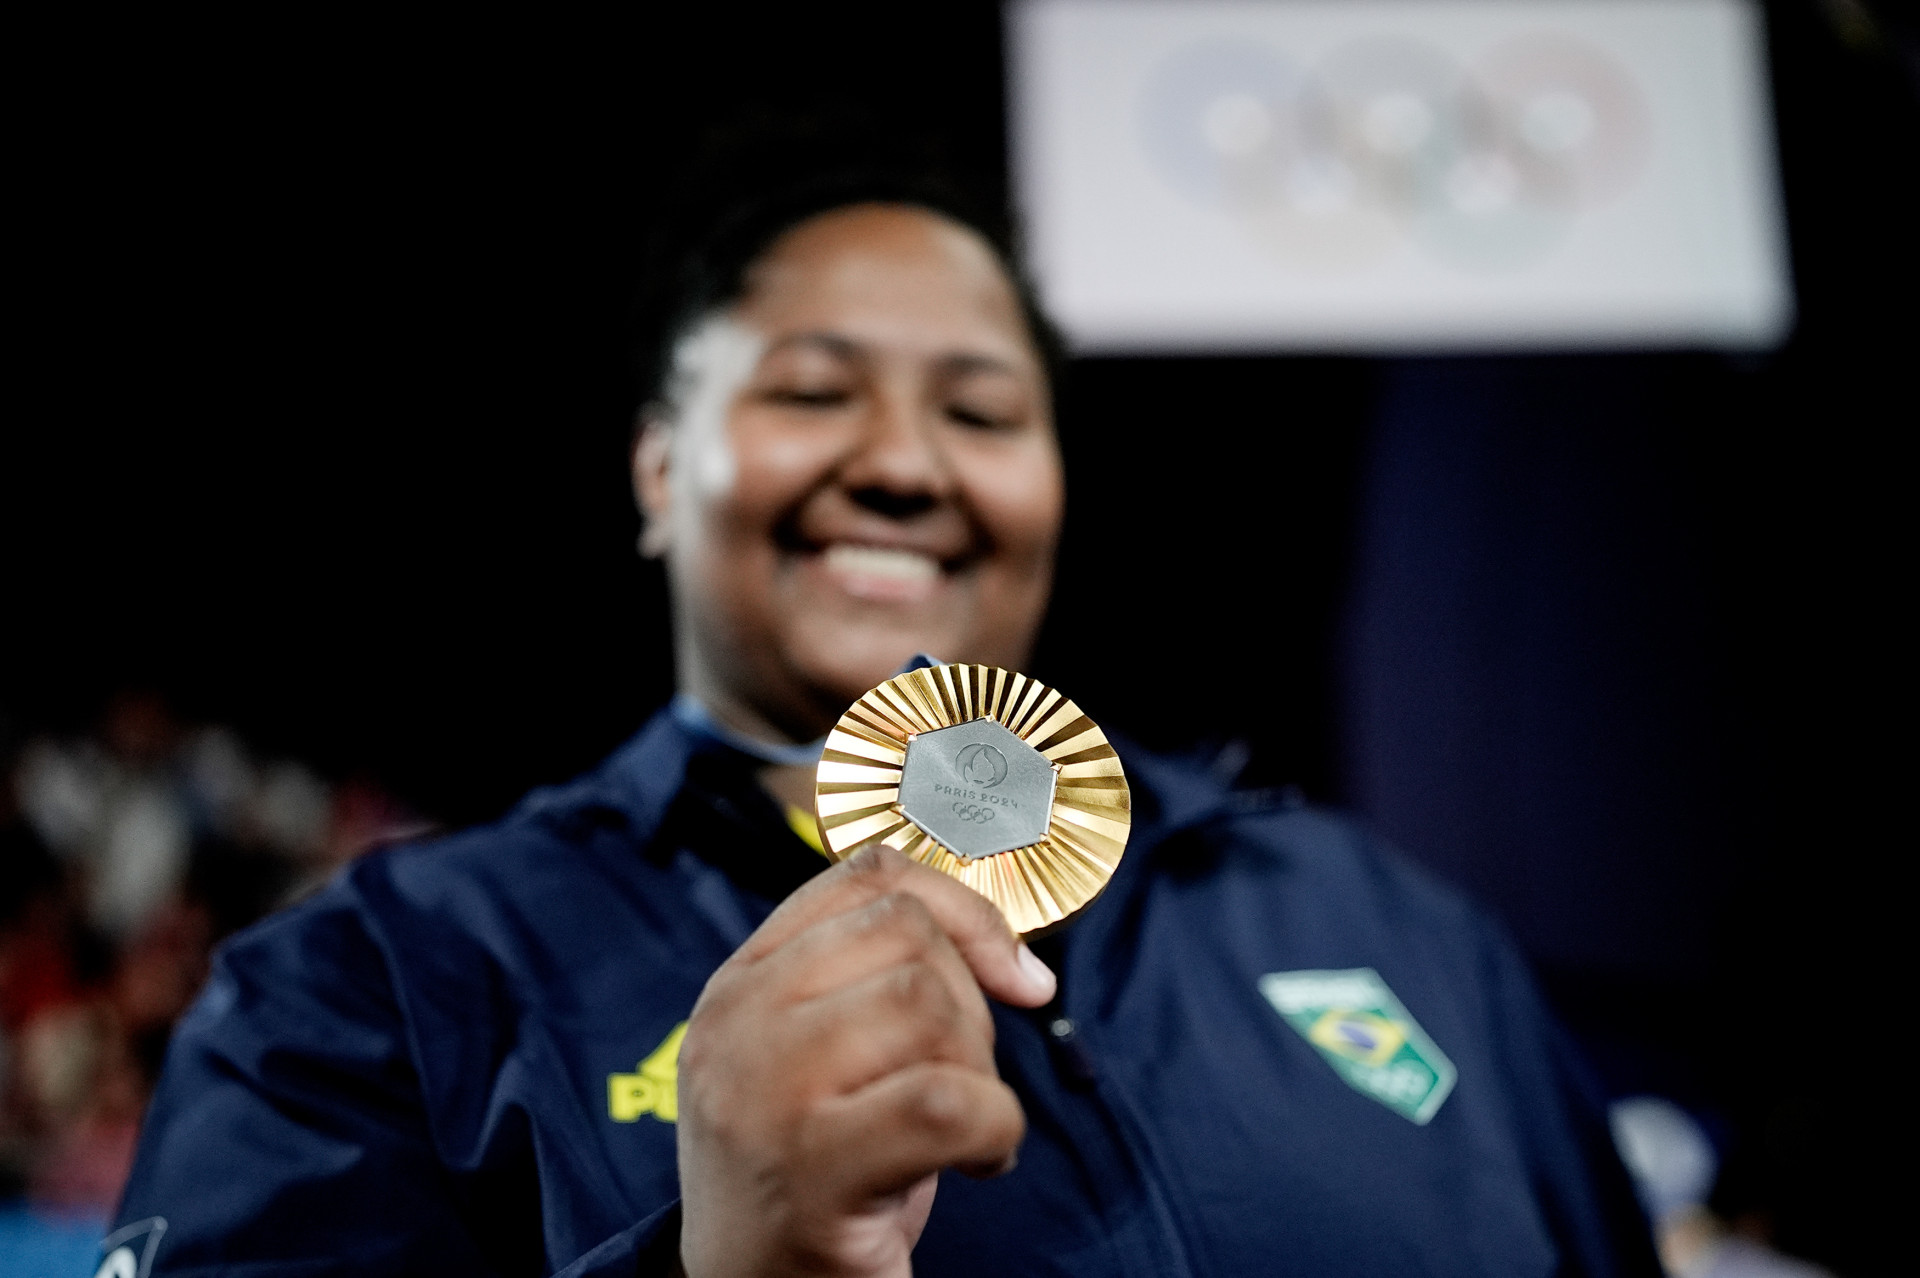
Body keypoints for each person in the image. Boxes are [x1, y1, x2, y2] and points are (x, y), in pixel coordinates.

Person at [108, 156, 1660, 1277]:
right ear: (661, 469)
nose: (907, 464)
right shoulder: (373, 985)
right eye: (810, 390)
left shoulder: (1385, 917)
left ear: (1055, 485)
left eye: (981, 411)